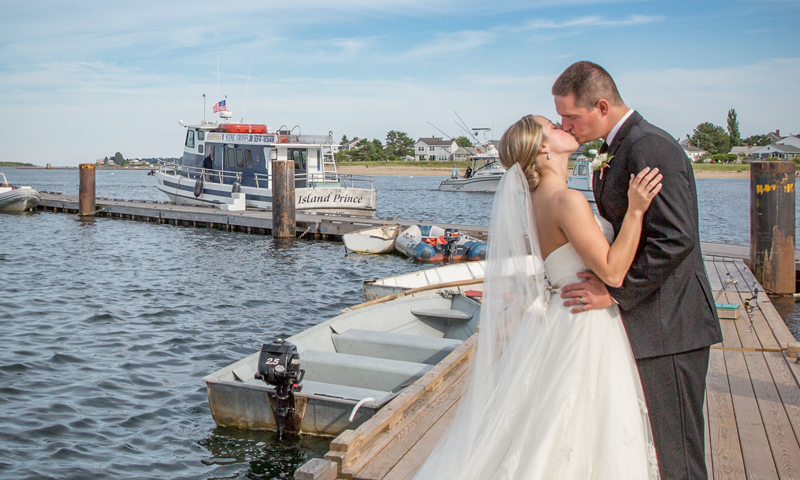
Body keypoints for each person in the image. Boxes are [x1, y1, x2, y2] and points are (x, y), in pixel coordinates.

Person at [414, 115, 662, 479]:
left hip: (559, 311)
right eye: (555, 127)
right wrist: (636, 211)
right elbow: (612, 272)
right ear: (544, 147)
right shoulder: (566, 199)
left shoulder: (534, 199)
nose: (566, 128)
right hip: (582, 320)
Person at [553, 61, 722, 479]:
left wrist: (615, 291)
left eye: (571, 116)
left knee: (677, 455)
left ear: (603, 106)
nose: (565, 126)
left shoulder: (650, 147)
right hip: (647, 324)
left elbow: (675, 237)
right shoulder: (620, 147)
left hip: (670, 326)